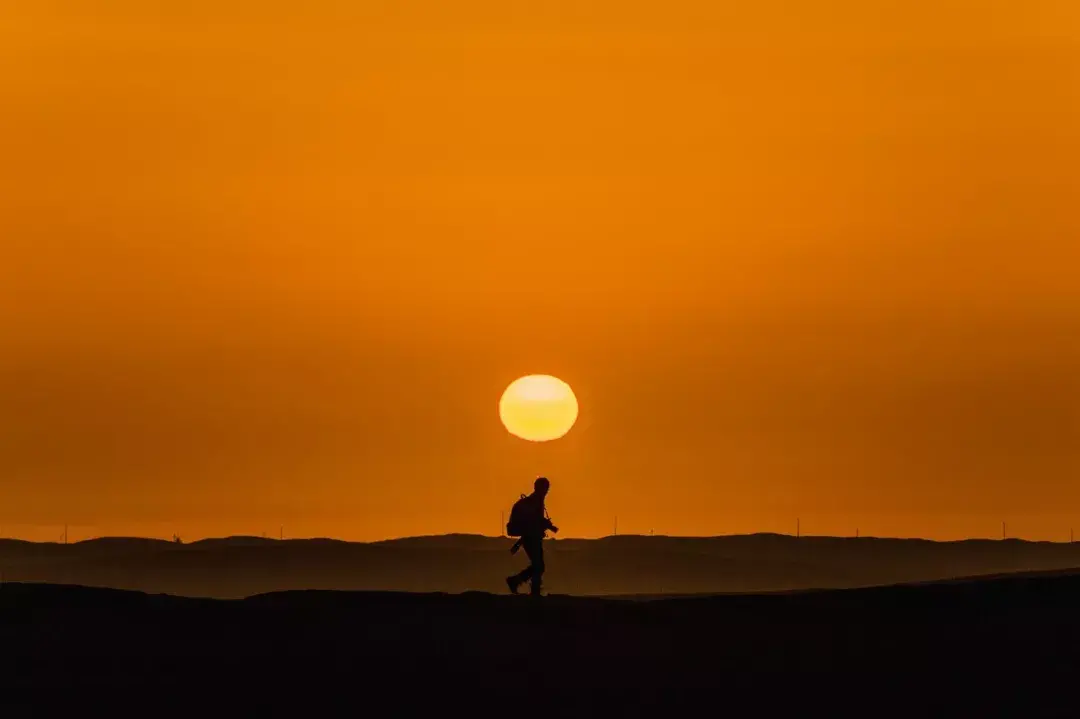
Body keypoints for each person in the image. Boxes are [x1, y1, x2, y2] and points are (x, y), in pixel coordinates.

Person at [506, 476, 558, 596]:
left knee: (538, 566)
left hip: (532, 537)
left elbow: (533, 522)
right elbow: (533, 522)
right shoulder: (535, 502)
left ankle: (518, 583)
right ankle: (529, 589)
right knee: (539, 566)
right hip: (532, 538)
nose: (546, 491)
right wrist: (546, 525)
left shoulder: (536, 501)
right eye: (545, 488)